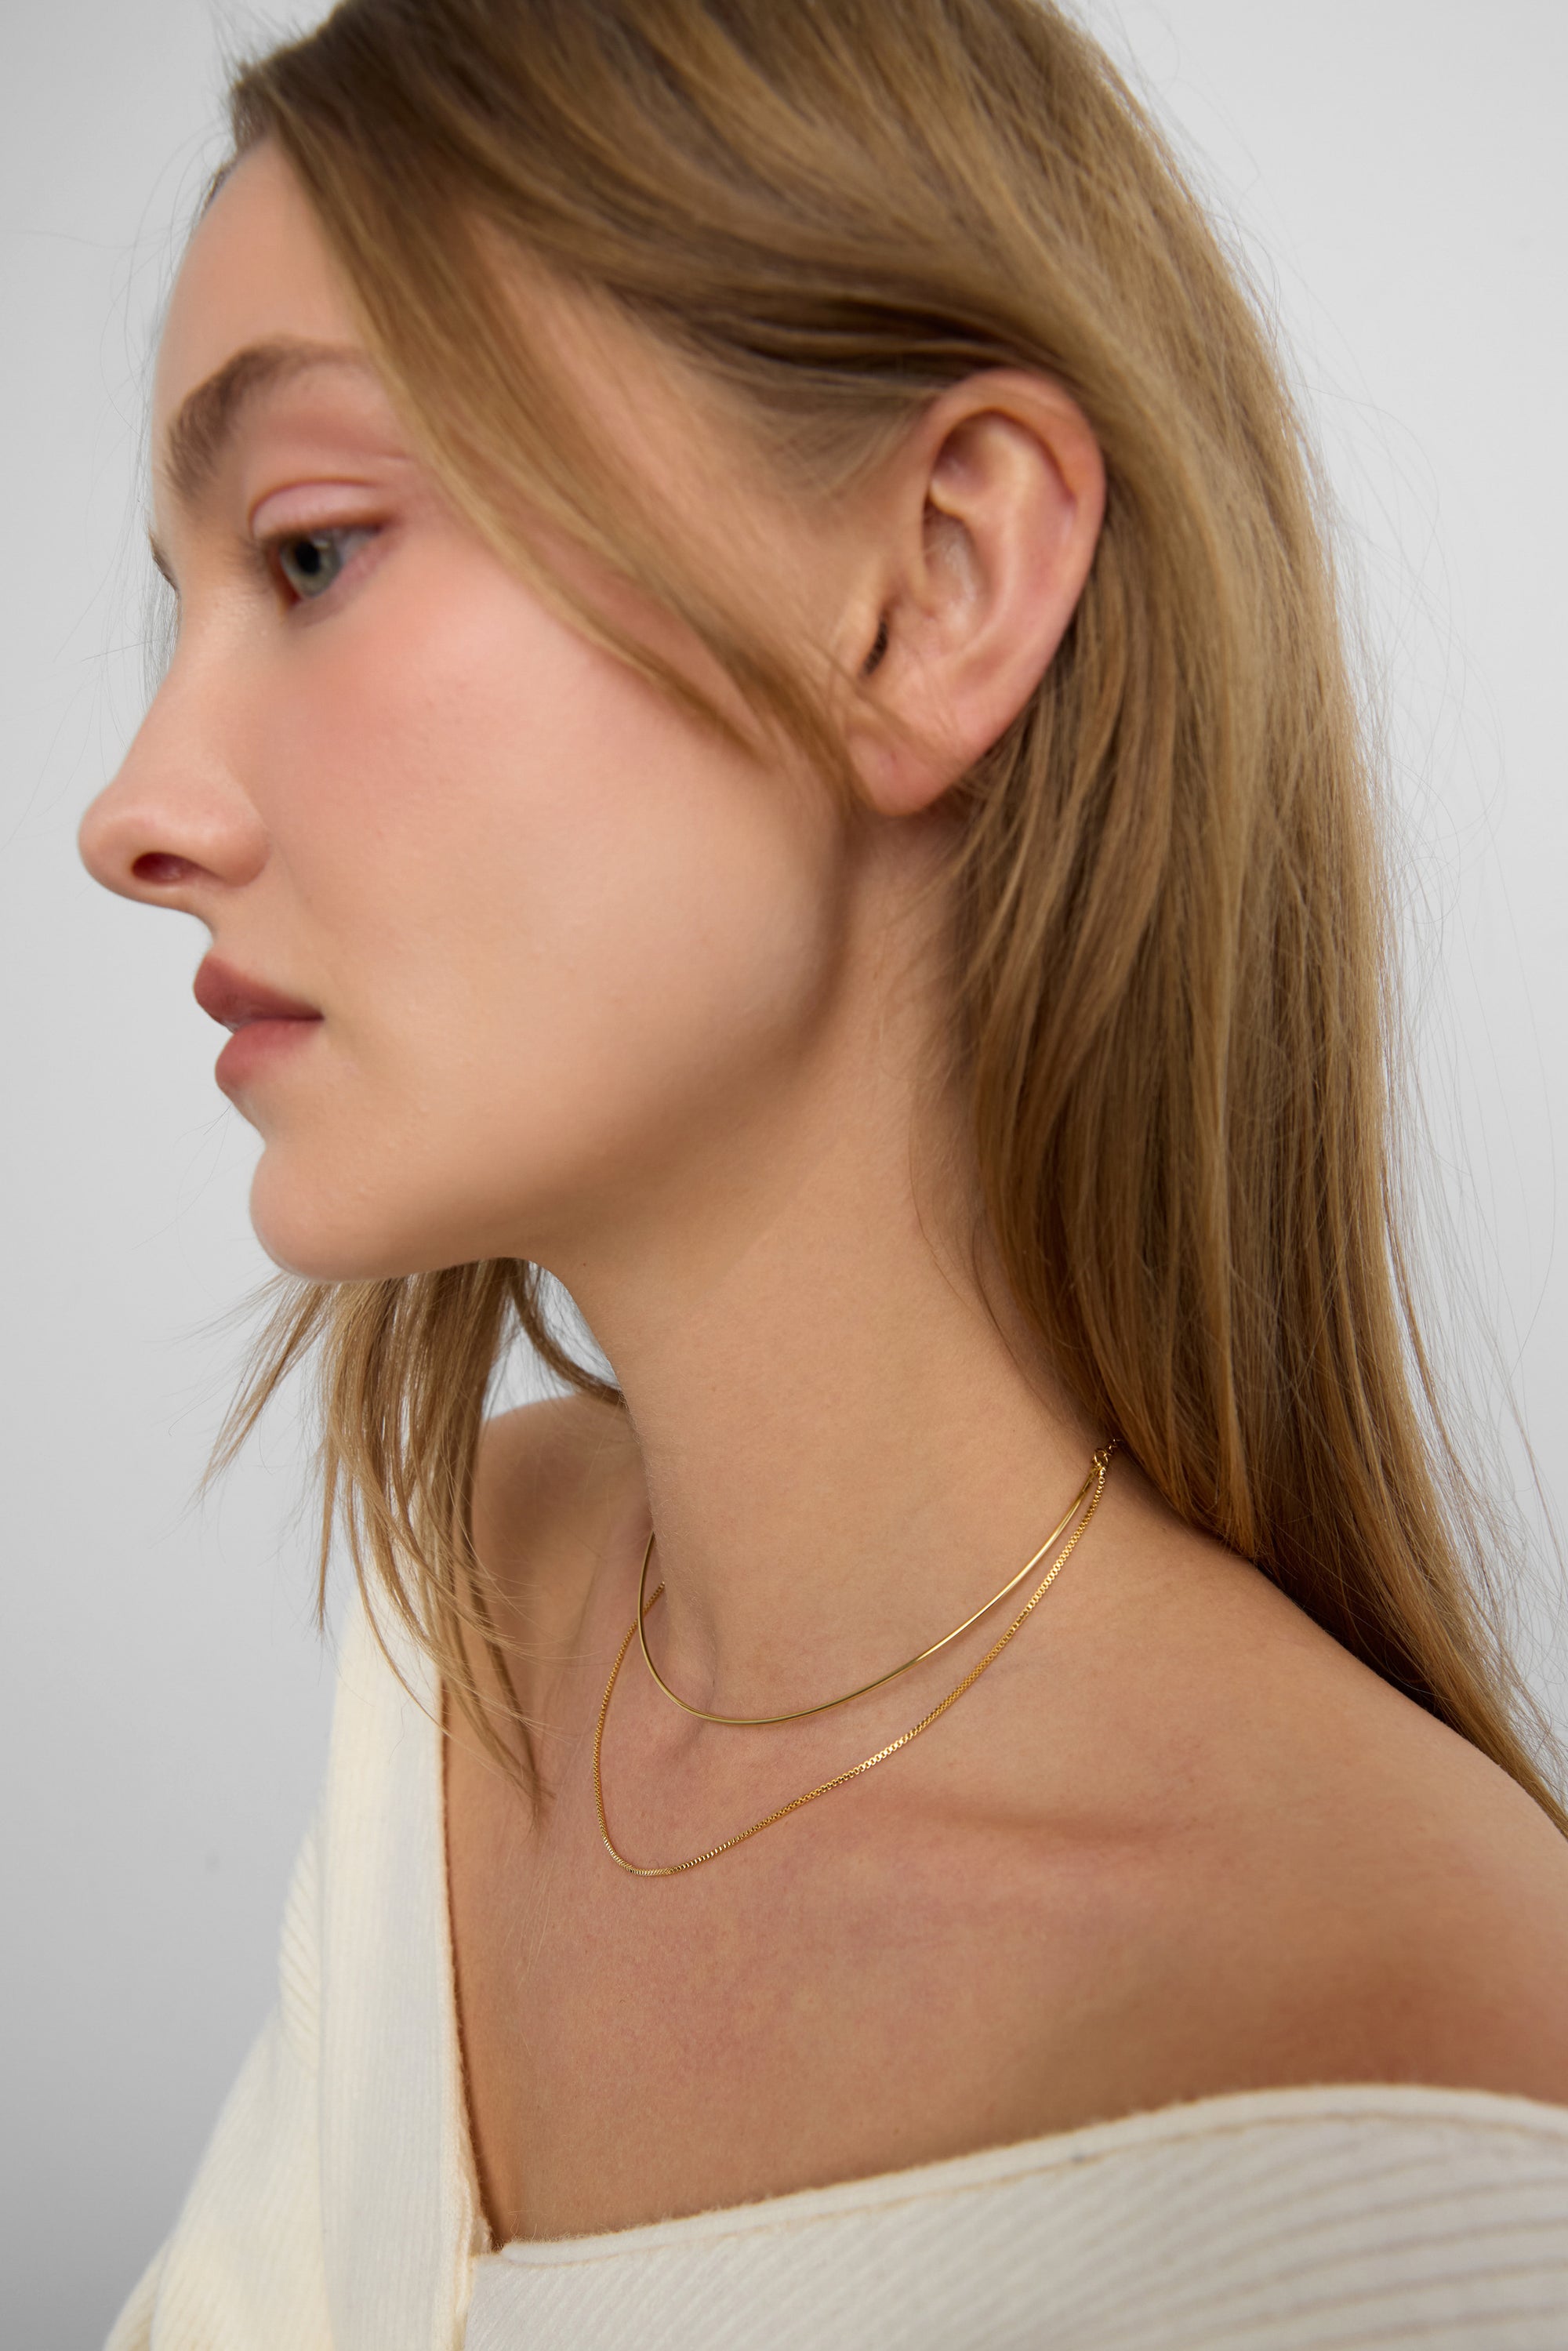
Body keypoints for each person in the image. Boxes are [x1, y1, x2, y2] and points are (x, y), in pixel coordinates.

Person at [79, 1, 1568, 2343]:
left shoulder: (1446, 2136)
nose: (135, 811)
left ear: (934, 586)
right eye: (187, 604)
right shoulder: (474, 1618)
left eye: (319, 549)